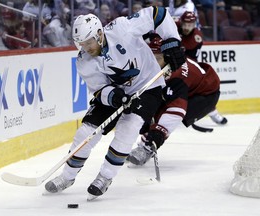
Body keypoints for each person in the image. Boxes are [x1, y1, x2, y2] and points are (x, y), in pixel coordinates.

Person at [44, 6, 185, 200]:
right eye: (81, 44)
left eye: (88, 42)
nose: (85, 48)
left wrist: (171, 41)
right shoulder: (84, 60)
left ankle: (105, 176)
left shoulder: (122, 28)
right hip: (115, 91)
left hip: (148, 85)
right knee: (86, 132)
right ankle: (67, 176)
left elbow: (157, 14)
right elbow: (100, 89)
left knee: (129, 126)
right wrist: (116, 97)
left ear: (99, 33)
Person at [127, 34, 221, 166]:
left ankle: (147, 148)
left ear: (166, 58)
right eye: (151, 58)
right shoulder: (165, 65)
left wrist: (157, 135)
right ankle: (144, 144)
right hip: (193, 85)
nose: (153, 63)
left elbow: (176, 111)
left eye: (158, 58)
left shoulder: (176, 76)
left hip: (205, 94)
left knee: (165, 113)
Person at [178, 11, 228, 125]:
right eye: (185, 24)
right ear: (181, 22)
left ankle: (213, 113)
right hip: (168, 64)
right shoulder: (174, 26)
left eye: (190, 25)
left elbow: (190, 60)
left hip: (186, 66)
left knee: (196, 92)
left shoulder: (196, 38)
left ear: (194, 24)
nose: (186, 27)